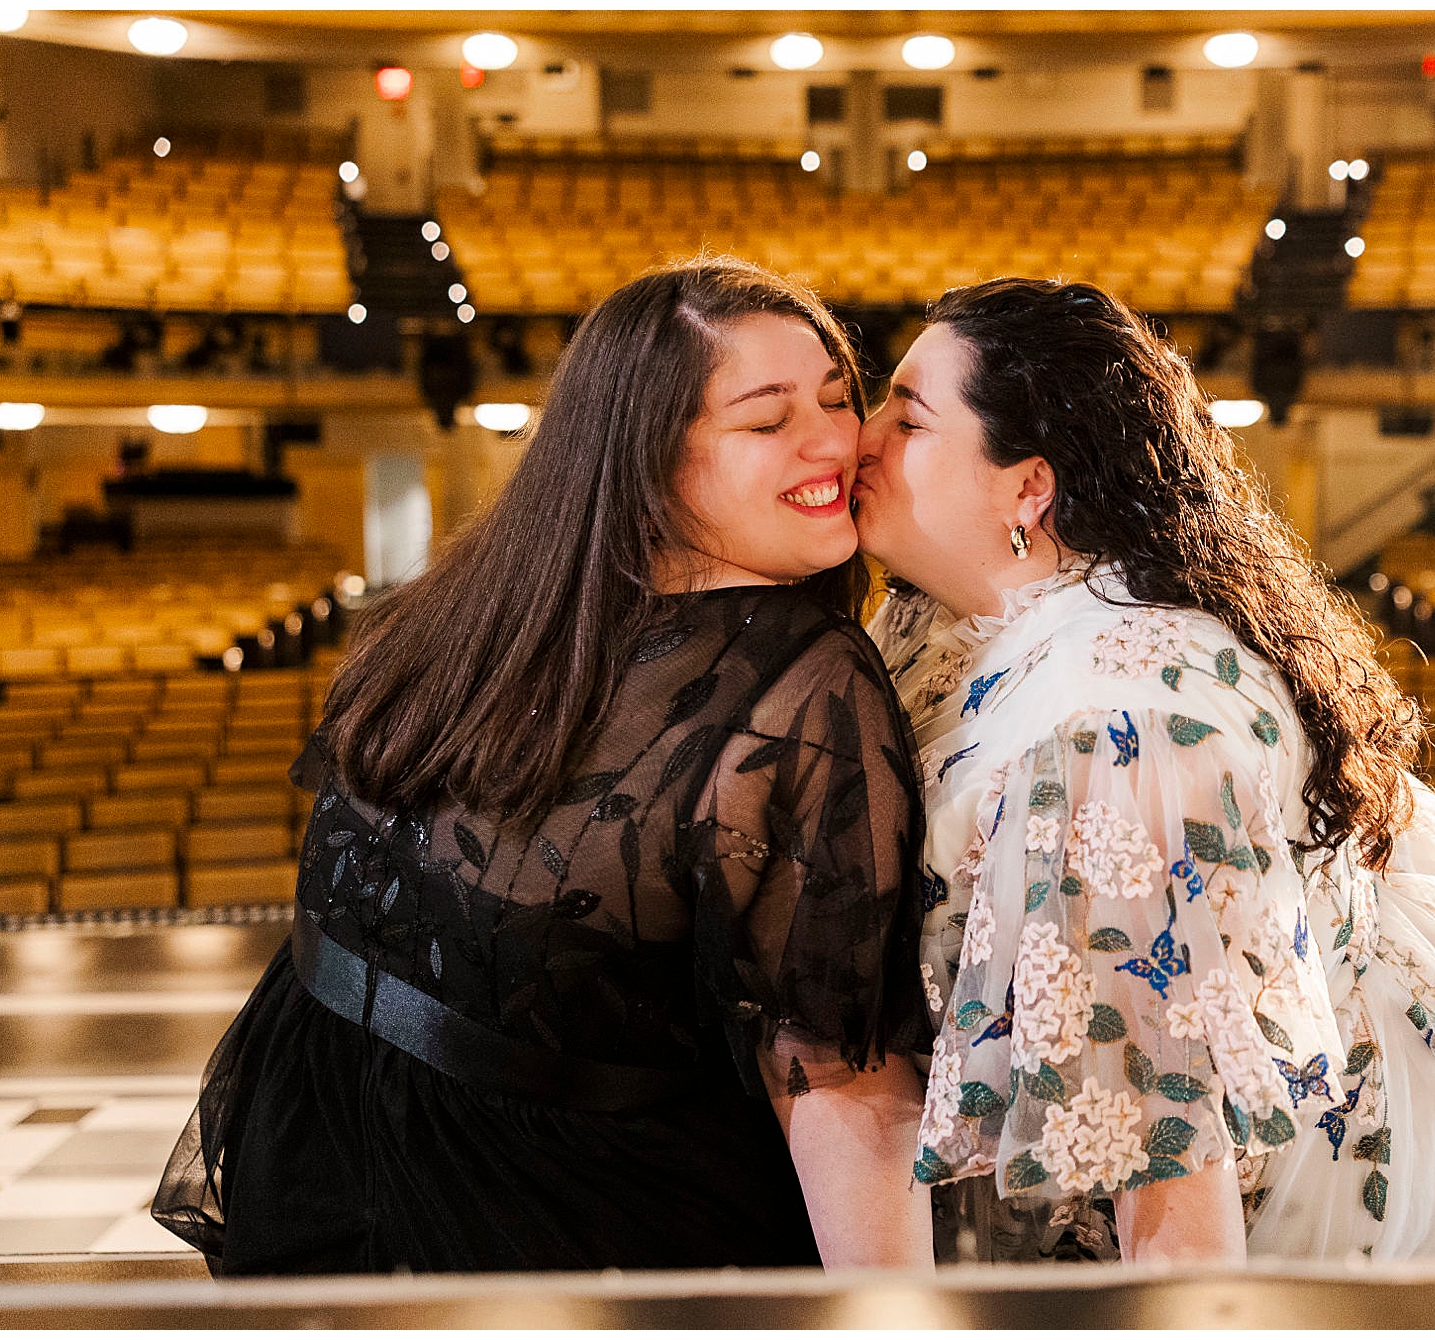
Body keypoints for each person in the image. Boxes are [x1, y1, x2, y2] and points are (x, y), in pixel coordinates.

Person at [851, 277, 1435, 1265]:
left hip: (1269, 1218)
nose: (861, 438)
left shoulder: (1122, 718)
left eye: (906, 415)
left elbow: (1170, 1160)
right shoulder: (951, 624)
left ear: (1027, 486)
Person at [154, 258, 933, 1275]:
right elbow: (840, 1079)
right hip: (547, 1217)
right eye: (765, 419)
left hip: (315, 1161)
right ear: (647, 456)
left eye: (839, 397)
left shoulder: (467, 606)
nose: (837, 439)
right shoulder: (804, 679)